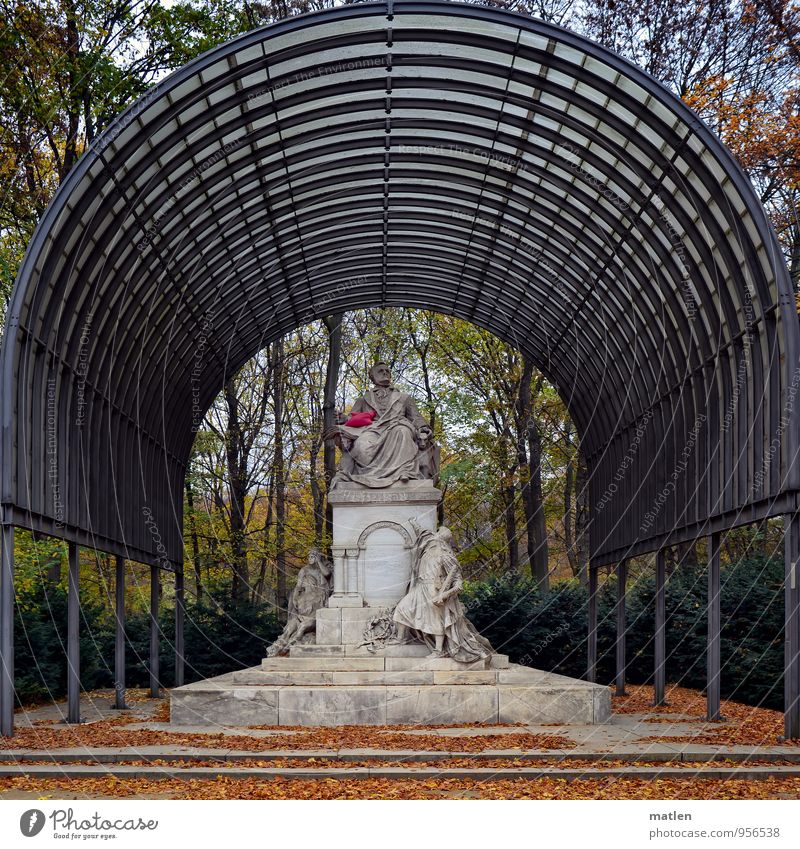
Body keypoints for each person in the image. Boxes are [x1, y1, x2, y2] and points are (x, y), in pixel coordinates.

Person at [392, 520, 493, 662]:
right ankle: (400, 638)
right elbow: (422, 532)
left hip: (434, 590)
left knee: (436, 622)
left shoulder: (446, 556)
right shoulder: (427, 546)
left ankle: (439, 651)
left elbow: (459, 583)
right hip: (419, 587)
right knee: (402, 609)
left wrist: (445, 594)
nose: (433, 536)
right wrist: (413, 522)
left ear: (441, 539)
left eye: (437, 534)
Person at [329, 362, 433, 488]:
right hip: (372, 430)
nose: (385, 373)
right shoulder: (364, 399)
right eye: (380, 371)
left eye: (387, 371)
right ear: (372, 377)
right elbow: (353, 418)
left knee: (402, 432)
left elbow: (416, 417)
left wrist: (423, 428)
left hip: (397, 425)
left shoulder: (404, 398)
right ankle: (365, 477)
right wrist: (343, 418)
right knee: (362, 444)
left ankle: (404, 472)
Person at [266, 548, 332, 657]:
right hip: (306, 599)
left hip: (319, 598)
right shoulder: (304, 570)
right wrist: (295, 599)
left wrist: (319, 561)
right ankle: (284, 642)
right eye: (310, 556)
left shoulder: (322, 569)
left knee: (307, 621)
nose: (311, 558)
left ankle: (295, 639)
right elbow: (298, 586)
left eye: (313, 556)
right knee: (296, 621)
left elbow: (327, 574)